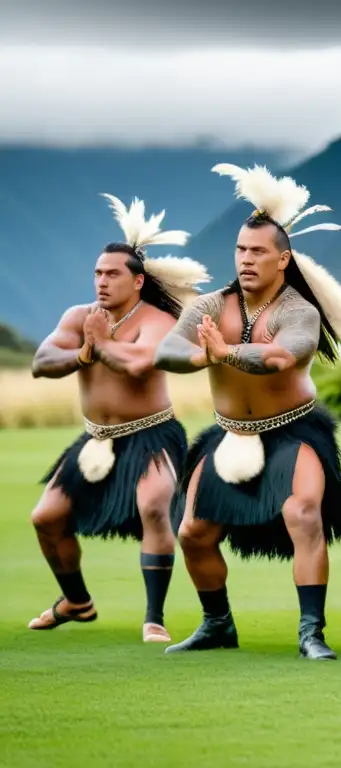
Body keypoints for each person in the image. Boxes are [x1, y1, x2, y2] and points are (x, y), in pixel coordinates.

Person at [153, 163, 341, 660]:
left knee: (303, 514)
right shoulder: (209, 306)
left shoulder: (299, 310)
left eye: (258, 251)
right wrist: (200, 355)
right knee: (193, 532)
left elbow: (283, 356)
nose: (246, 259)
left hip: (294, 431)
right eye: (240, 250)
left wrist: (225, 354)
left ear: (282, 259)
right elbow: (165, 352)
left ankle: (311, 632)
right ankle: (217, 624)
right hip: (229, 432)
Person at [27, 193, 211, 643]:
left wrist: (99, 347)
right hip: (96, 438)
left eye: (112, 274)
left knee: (153, 504)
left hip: (152, 434)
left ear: (137, 280)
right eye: (97, 273)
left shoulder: (158, 318)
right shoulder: (80, 316)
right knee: (46, 517)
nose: (101, 282)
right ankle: (76, 602)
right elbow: (42, 360)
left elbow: (139, 362)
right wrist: (84, 352)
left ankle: (154, 617)